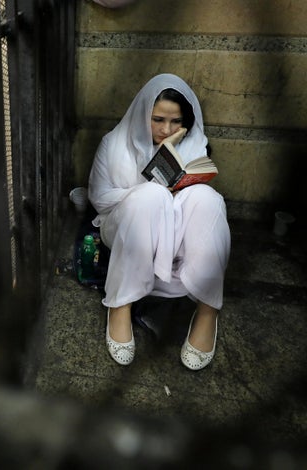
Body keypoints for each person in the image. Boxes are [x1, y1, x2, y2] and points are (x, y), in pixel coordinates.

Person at [87, 73, 230, 370]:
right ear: (142, 113)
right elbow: (100, 198)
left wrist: (177, 173)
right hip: (128, 226)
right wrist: (153, 190)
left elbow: (193, 200)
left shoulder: (194, 144)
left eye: (175, 121)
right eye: (157, 119)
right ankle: (120, 305)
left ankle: (207, 310)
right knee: (150, 196)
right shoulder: (114, 144)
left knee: (208, 199)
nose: (166, 129)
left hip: (175, 230)